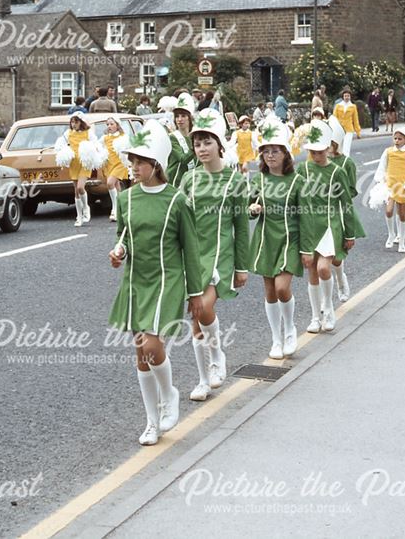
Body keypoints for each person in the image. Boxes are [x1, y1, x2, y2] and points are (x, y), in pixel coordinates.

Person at [109, 120, 203, 446]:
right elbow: (124, 236)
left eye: (140, 161)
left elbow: (190, 249)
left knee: (152, 345)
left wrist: (195, 293)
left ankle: (170, 393)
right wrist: (119, 251)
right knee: (139, 354)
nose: (133, 167)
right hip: (136, 279)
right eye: (131, 160)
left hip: (167, 278)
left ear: (156, 165)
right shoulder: (126, 199)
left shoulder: (177, 201)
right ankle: (151, 421)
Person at [181, 109, 250, 400]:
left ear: (219, 144)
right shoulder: (188, 179)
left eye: (207, 142)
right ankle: (202, 378)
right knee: (196, 317)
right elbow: (177, 220)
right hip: (193, 254)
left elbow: (241, 226)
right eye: (197, 143)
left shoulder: (234, 182)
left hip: (220, 254)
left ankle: (217, 354)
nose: (202, 148)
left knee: (204, 308)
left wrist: (242, 267)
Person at [296, 120, 357, 333]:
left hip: (330, 224)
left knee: (323, 268)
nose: (316, 155)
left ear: (328, 149)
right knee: (312, 271)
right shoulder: (302, 169)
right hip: (308, 225)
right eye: (312, 151)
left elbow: (346, 204)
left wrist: (350, 233)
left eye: (320, 151)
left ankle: (328, 309)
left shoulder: (337, 171)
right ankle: (315, 317)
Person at [249, 118, 303, 358]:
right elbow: (248, 207)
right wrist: (252, 209)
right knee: (269, 290)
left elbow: (307, 217)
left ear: (285, 154)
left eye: (275, 151)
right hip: (265, 239)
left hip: (290, 239)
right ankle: (276, 338)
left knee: (282, 288)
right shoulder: (259, 179)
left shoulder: (298, 181)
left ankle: (290, 328)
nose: (270, 156)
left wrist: (308, 249)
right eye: (266, 151)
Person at [327, 116, 365, 300]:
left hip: (339, 211)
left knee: (336, 255)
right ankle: (325, 301)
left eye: (330, 143)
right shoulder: (313, 164)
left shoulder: (346, 163)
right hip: (319, 213)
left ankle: (341, 279)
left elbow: (350, 191)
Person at [371, 127, 405, 254]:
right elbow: (382, 167)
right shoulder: (388, 152)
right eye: (395, 138)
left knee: (402, 214)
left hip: (403, 187)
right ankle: (391, 234)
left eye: (400, 139)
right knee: (389, 211)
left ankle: (401, 241)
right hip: (390, 186)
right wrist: (380, 180)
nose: (397, 141)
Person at [55, 114, 105, 227]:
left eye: (76, 122)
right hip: (74, 164)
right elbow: (60, 144)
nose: (74, 124)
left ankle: (86, 207)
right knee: (76, 191)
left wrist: (96, 151)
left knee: (80, 187)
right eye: (72, 122)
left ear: (81, 122)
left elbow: (96, 144)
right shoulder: (68, 133)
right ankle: (79, 216)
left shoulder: (88, 133)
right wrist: (63, 152)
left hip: (84, 163)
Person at [163, 92, 197, 187]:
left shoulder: (194, 137)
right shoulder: (173, 137)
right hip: (175, 182)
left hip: (190, 183)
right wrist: (195, 147)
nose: (179, 119)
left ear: (189, 118)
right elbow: (183, 159)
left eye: (183, 116)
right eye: (177, 116)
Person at [102, 117, 129, 222]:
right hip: (109, 164)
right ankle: (122, 208)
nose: (109, 126)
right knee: (116, 187)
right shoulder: (105, 138)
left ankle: (114, 209)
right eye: (108, 124)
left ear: (117, 125)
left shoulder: (123, 137)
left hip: (119, 164)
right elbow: (98, 147)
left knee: (110, 183)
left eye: (112, 124)